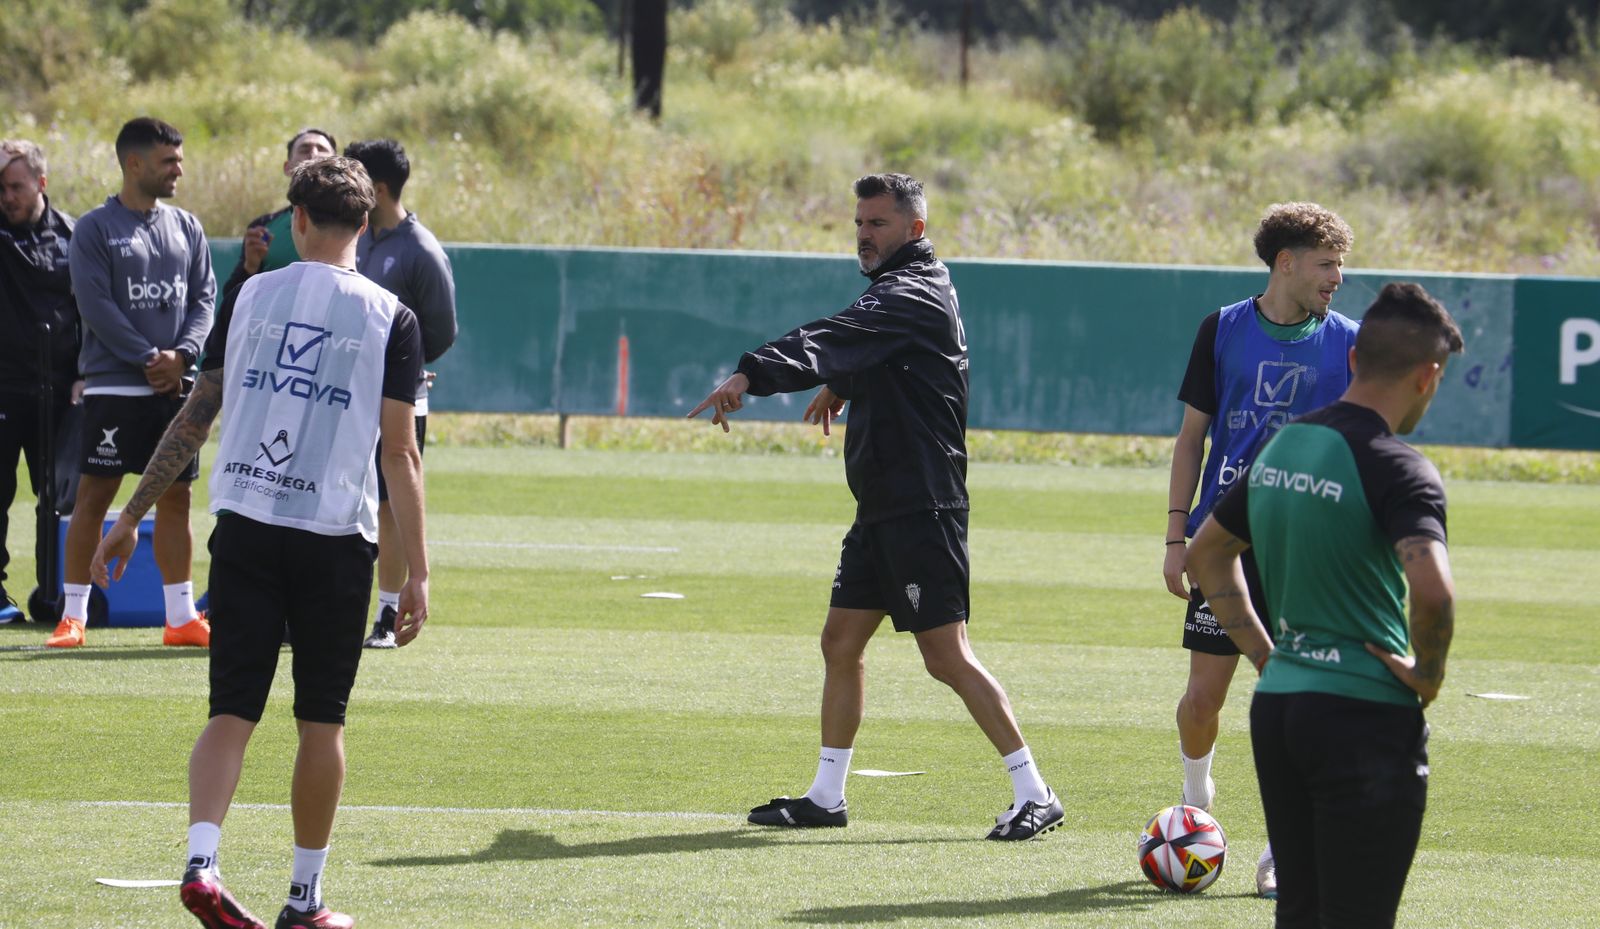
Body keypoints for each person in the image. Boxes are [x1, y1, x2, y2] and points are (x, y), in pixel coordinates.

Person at [92, 155, 429, 929]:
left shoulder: (249, 294)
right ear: (365, 224)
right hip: (334, 536)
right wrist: (413, 574)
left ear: (297, 221)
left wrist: (131, 513)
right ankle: (304, 898)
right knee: (322, 720)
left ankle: (201, 861)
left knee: (230, 710)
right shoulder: (390, 315)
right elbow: (399, 453)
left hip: (243, 520)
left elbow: (195, 412)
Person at [688, 173, 1061, 840]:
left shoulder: (914, 290)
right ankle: (826, 795)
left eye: (878, 224)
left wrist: (752, 371)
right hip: (883, 506)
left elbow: (835, 333)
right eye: (859, 223)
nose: (863, 234)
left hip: (923, 505)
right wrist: (843, 382)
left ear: (913, 230)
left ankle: (1036, 790)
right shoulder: (900, 294)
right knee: (840, 641)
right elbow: (871, 349)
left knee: (946, 656)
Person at [1187, 281, 1462, 929]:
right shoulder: (1400, 467)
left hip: (1281, 706)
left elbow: (1206, 554)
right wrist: (1427, 674)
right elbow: (1435, 591)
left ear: (1353, 358)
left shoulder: (1285, 445)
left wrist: (1265, 654)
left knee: (1301, 913)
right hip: (1363, 716)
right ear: (1428, 376)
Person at [1162, 202, 1360, 896]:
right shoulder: (1221, 328)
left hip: (1309, 549)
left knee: (1295, 704)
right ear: (1286, 263)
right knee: (1201, 700)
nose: (1338, 277)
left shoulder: (1351, 344)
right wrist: (1175, 535)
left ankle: (1283, 846)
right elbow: (1192, 438)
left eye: (1340, 264)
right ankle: (1195, 801)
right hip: (1224, 545)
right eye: (1328, 264)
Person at [48, 117, 215, 648]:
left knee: (177, 498)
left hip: (173, 387)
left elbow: (203, 298)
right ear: (134, 163)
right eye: (170, 160)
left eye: (179, 159)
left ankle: (181, 617)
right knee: (94, 496)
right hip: (115, 386)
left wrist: (184, 354)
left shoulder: (187, 226)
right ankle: (73, 615)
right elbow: (95, 308)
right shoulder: (96, 228)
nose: (179, 170)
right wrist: (149, 357)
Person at [343, 138, 455, 649]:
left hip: (399, 401)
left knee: (390, 506)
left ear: (379, 187)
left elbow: (441, 331)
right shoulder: (357, 237)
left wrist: (407, 368)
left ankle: (387, 615)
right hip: (346, 396)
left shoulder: (421, 250)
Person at [0, 139, 80, 623]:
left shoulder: (76, 234)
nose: (5, 197)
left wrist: (86, 375)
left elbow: (91, 311)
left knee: (58, 497)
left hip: (61, 390)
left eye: (14, 187)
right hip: (4, 387)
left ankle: (57, 595)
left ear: (41, 184)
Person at [220, 128, 339, 297]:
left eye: (321, 149)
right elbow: (231, 299)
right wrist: (250, 267)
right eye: (304, 149)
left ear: (337, 164)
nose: (313, 154)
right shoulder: (264, 228)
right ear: (287, 167)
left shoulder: (354, 224)